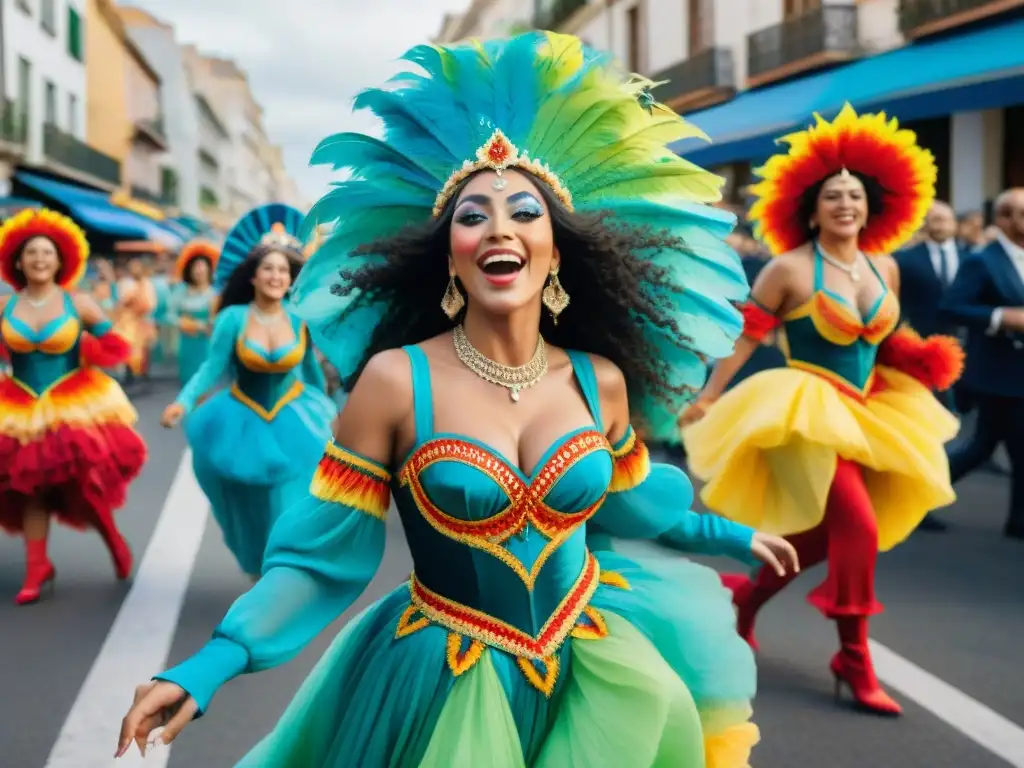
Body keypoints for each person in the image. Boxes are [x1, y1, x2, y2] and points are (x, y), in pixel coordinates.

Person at [117, 32, 799, 767]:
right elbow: (320, 561)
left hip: (591, 670)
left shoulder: (599, 379)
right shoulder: (394, 383)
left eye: (524, 213)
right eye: (473, 216)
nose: (499, 228)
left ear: (558, 249)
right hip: (442, 682)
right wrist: (212, 663)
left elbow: (631, 506)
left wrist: (727, 535)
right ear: (449, 256)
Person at [680, 104, 963, 716]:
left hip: (871, 408)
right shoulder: (787, 269)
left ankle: (746, 598)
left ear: (871, 207)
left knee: (820, 535)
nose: (845, 204)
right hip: (805, 410)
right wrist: (709, 395)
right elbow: (747, 336)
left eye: (855, 195)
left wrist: (919, 358)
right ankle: (853, 659)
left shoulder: (885, 265)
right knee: (858, 527)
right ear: (810, 210)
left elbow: (885, 337)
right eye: (832, 196)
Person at [158, 205, 335, 578]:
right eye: (268, 269)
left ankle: (279, 574)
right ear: (253, 276)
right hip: (241, 420)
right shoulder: (232, 319)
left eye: (283, 270)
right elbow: (211, 369)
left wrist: (332, 418)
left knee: (291, 507)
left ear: (291, 279)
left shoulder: (299, 320)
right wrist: (182, 402)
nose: (276, 276)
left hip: (296, 422)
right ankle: (260, 571)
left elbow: (311, 373)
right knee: (252, 511)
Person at [0, 209, 146, 604]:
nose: (40, 259)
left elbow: (115, 345)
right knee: (28, 487)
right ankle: (36, 568)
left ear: (60, 260)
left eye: (47, 253)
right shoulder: (4, 306)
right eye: (32, 253)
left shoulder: (78, 303)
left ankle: (113, 540)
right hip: (18, 405)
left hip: (71, 402)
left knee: (84, 484)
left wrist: (89, 350)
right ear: (18, 261)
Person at [939, 188, 1024, 540]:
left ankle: (1018, 522)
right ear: (1004, 218)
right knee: (985, 446)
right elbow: (952, 307)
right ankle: (912, 493)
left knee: (990, 446)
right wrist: (1002, 317)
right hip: (998, 375)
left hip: (1018, 374)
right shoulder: (982, 260)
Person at [169, 239, 219, 385]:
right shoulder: (181, 292)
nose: (199, 271)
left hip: (205, 344)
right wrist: (186, 323)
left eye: (202, 267)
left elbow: (216, 322)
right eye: (195, 267)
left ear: (209, 270)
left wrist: (205, 326)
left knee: (204, 382)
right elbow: (170, 315)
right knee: (187, 380)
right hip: (185, 344)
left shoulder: (214, 295)